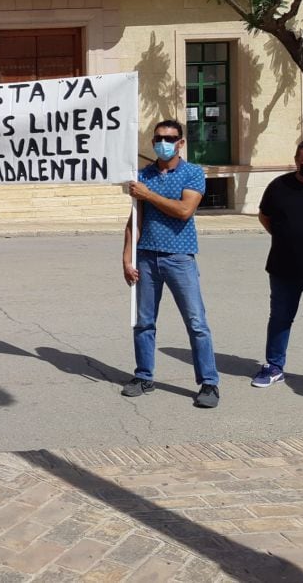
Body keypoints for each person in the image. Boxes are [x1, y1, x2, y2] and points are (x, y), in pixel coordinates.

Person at [123, 119, 220, 409]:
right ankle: (143, 376)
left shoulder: (192, 173)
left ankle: (209, 383)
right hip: (147, 257)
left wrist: (149, 194)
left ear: (180, 142)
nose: (163, 143)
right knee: (143, 321)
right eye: (158, 138)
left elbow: (184, 210)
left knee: (196, 322)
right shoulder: (143, 175)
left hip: (179, 258)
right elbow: (135, 219)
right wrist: (127, 257)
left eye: (170, 138)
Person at [252, 140, 303, 390]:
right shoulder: (279, 186)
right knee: (280, 319)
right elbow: (264, 216)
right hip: (284, 270)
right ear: (297, 160)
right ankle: (274, 367)